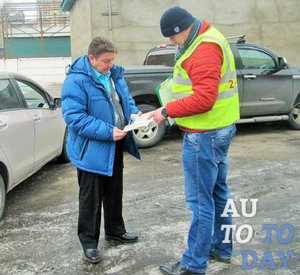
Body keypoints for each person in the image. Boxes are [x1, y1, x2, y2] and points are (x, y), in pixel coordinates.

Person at [149, 6, 240, 275]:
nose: (170, 42)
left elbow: (204, 98)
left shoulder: (203, 49)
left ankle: (193, 264)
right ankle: (221, 248)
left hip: (204, 135)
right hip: (218, 130)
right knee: (218, 193)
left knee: (201, 201)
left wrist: (165, 111)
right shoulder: (206, 37)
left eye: (171, 37)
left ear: (182, 30)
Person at [61, 36, 140, 264]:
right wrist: (107, 131)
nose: (110, 65)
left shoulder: (114, 75)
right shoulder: (76, 82)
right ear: (91, 58)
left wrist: (134, 114)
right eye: (106, 61)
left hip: (115, 143)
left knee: (115, 192)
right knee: (90, 199)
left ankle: (115, 230)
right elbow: (75, 118)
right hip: (91, 150)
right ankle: (89, 243)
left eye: (112, 60)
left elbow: (126, 100)